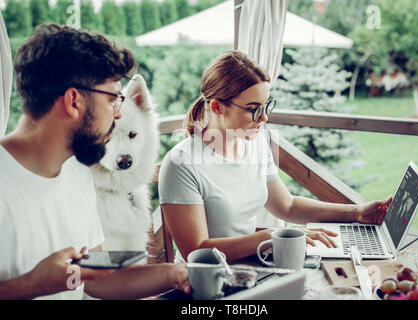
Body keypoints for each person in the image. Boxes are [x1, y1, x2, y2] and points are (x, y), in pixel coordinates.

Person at [0, 23, 189, 300]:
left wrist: (179, 274)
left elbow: (95, 282)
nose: (119, 114)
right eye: (113, 99)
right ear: (74, 102)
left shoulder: (78, 173)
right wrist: (32, 285)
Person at [158, 50, 393, 263]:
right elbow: (196, 251)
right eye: (253, 109)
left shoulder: (256, 142)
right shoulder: (181, 163)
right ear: (218, 107)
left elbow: (287, 206)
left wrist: (357, 212)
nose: (264, 119)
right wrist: (271, 237)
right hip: (203, 283)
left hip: (252, 266)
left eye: (265, 106)